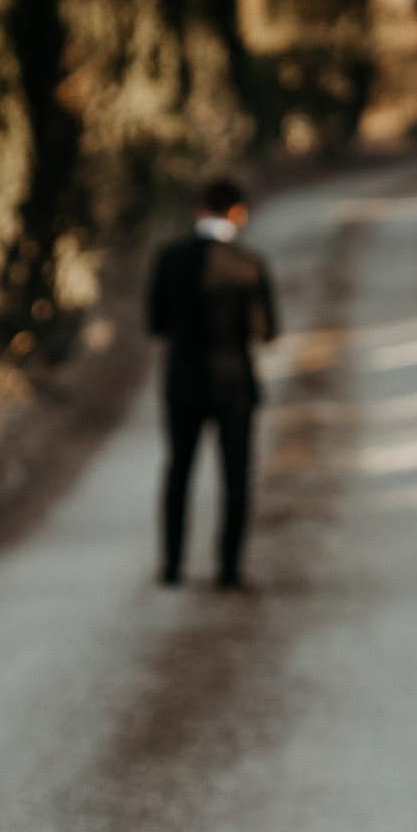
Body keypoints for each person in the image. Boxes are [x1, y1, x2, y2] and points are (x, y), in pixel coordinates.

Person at [144, 175, 279, 589]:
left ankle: (172, 566)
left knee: (179, 471)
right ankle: (228, 569)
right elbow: (268, 330)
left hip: (183, 377)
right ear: (238, 212)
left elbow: (155, 323)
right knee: (235, 475)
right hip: (233, 381)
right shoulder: (248, 263)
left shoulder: (168, 258)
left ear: (199, 209)